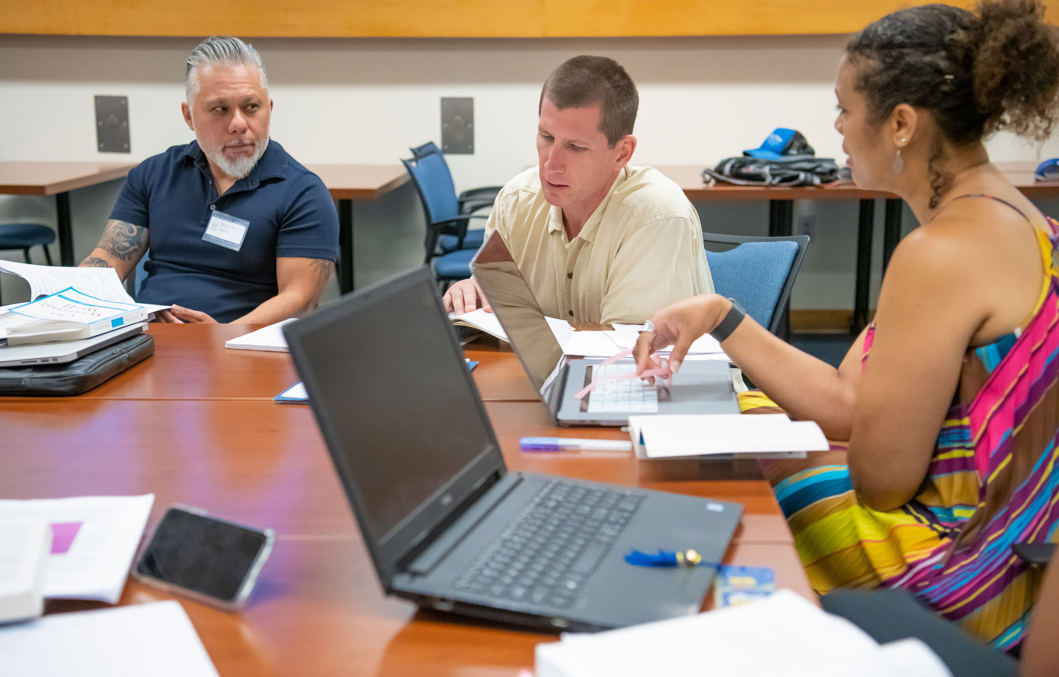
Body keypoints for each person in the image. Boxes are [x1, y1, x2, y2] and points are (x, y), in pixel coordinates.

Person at [635, 0, 1059, 652]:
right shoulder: (1025, 221)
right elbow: (846, 400)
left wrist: (798, 439)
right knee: (745, 413)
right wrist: (720, 315)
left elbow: (880, 480)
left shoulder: (938, 254)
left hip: (968, 574)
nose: (835, 128)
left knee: (730, 473)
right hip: (1025, 562)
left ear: (900, 124)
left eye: (842, 107)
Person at [81, 36, 338, 324]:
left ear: (269, 108)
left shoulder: (302, 192)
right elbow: (109, 259)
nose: (239, 124)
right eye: (220, 109)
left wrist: (223, 335)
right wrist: (68, 298)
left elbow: (299, 299)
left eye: (252, 107)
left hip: (242, 350)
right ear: (189, 116)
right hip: (147, 342)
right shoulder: (154, 174)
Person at [442, 55, 712, 325]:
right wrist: (470, 296)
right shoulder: (516, 201)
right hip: (545, 367)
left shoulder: (657, 215)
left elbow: (626, 351)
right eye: (547, 137)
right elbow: (498, 314)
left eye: (576, 147)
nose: (551, 164)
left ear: (621, 153)